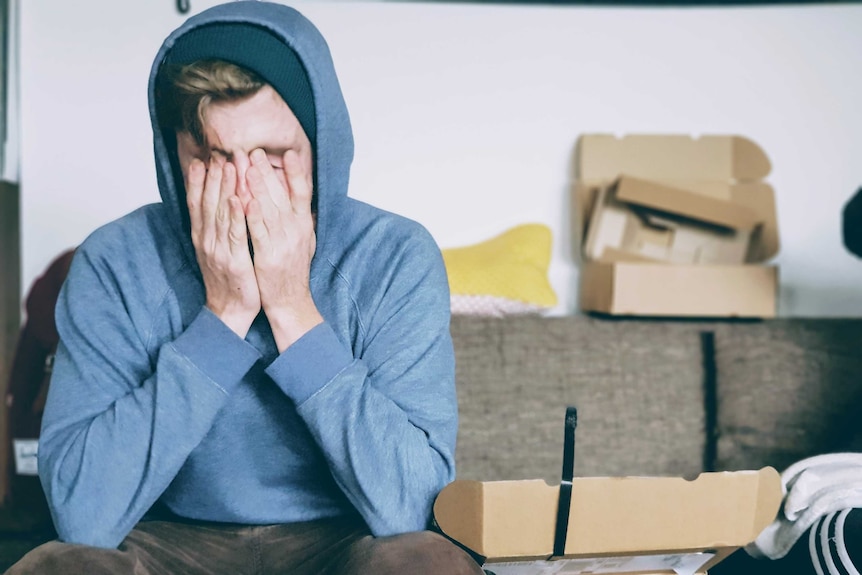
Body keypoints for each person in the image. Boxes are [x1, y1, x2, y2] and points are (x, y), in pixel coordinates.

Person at [7, 2, 483, 574]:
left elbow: (413, 508)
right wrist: (224, 315)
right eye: (212, 158)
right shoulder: (113, 261)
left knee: (429, 563)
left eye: (275, 158)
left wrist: (293, 309)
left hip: (345, 542)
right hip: (168, 542)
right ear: (174, 156)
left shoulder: (396, 256)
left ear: (320, 150)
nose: (243, 192)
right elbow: (84, 516)